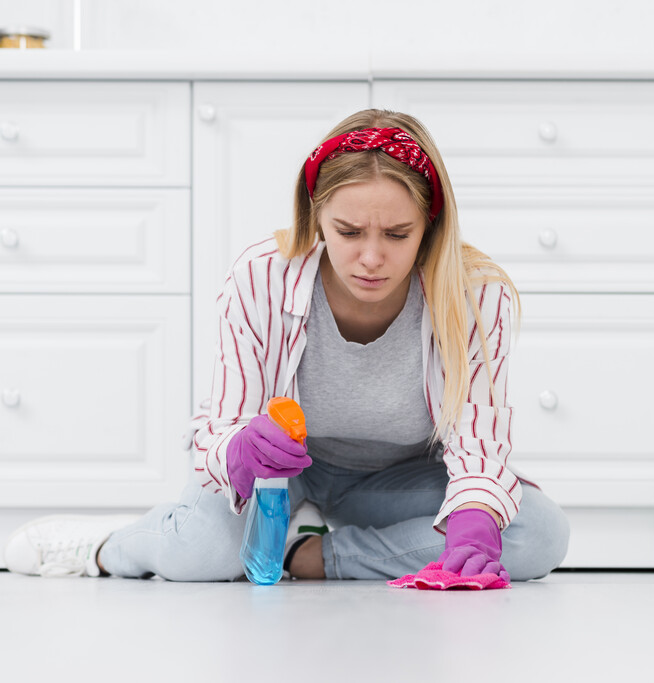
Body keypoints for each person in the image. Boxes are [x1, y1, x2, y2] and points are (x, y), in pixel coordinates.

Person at [4, 109, 570, 582]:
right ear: (316, 215)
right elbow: (221, 426)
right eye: (348, 232)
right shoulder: (260, 278)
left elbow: (478, 442)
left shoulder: (473, 294)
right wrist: (241, 451)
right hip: (283, 472)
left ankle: (311, 553)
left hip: (398, 480)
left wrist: (474, 515)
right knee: (203, 554)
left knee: (538, 534)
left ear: (430, 225)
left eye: (398, 235)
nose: (372, 258)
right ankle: (107, 547)